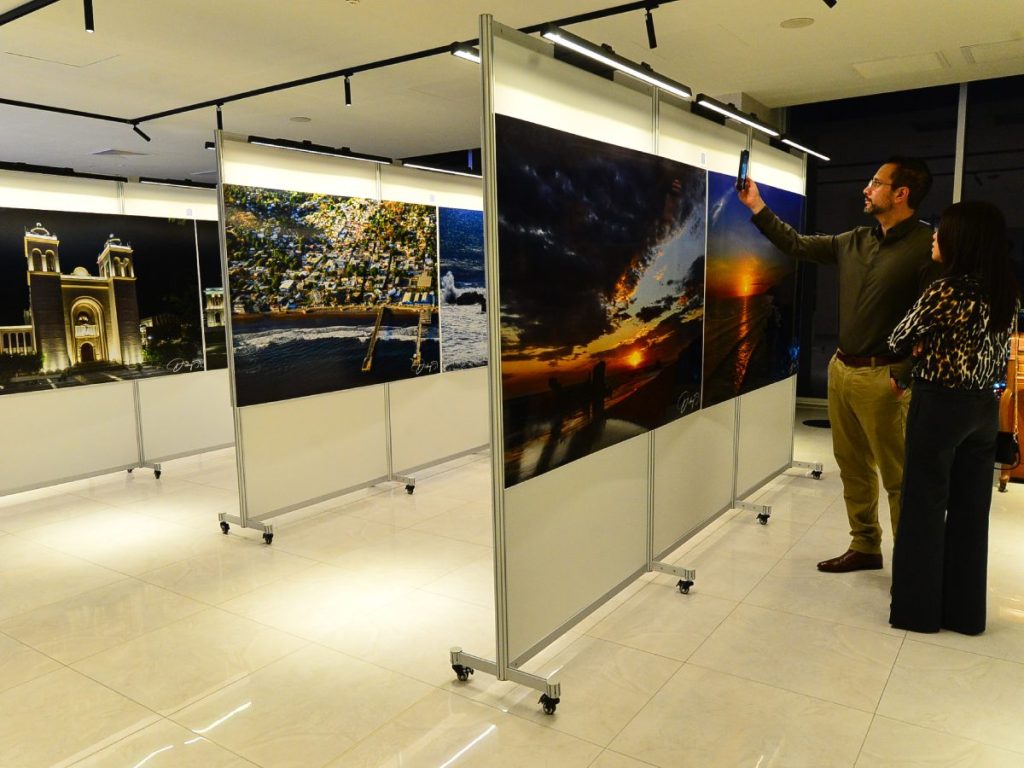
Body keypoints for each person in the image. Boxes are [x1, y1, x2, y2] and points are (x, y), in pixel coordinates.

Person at [738, 157, 941, 572]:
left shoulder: (927, 248)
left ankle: (912, 569)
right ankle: (865, 546)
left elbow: (934, 321)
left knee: (899, 478)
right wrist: (757, 207)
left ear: (901, 194)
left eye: (876, 182)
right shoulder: (855, 240)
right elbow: (796, 243)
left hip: (885, 377)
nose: (866, 189)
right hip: (842, 370)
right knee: (852, 467)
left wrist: (901, 376)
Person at [887, 201, 1019, 635]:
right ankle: (965, 615)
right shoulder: (1005, 292)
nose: (933, 236)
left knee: (923, 507)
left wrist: (924, 346)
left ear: (961, 240)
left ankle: (917, 612)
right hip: (982, 409)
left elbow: (898, 338)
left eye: (941, 231)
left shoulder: (948, 290)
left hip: (941, 405)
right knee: (971, 513)